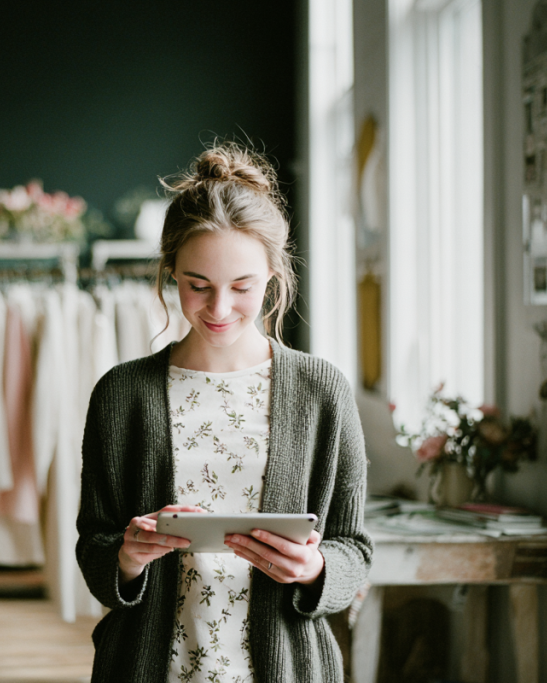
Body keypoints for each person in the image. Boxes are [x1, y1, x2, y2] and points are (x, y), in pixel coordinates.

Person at [76, 141, 372, 682]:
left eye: (242, 287)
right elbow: (93, 548)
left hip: (286, 668)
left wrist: (316, 568)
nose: (218, 308)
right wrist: (128, 556)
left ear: (274, 277)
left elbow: (355, 551)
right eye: (197, 285)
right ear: (170, 271)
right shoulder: (121, 394)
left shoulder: (321, 389)